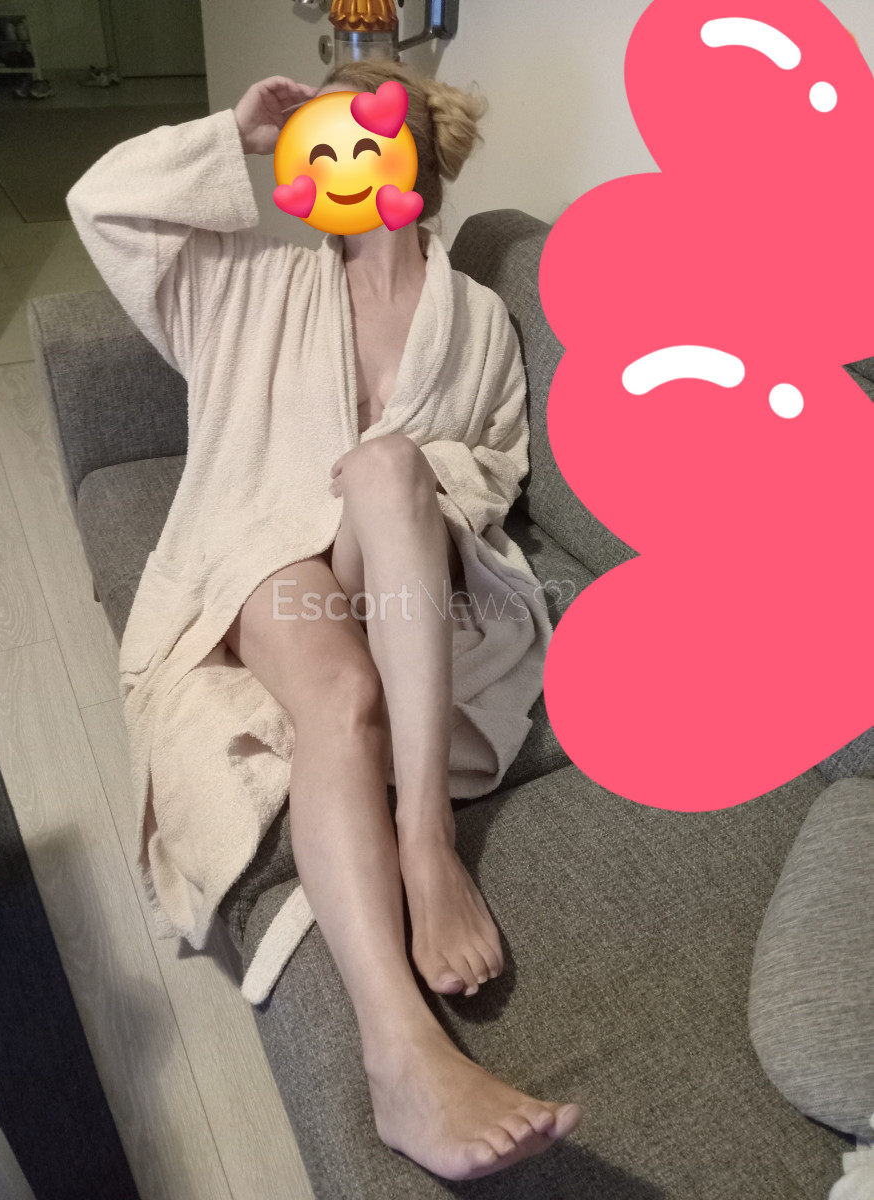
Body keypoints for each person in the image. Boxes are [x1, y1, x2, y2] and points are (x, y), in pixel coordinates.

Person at [221, 59, 580, 1181]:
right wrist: (234, 136)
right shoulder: (275, 287)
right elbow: (107, 214)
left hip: (394, 554)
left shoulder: (476, 318)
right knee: (343, 685)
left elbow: (499, 465)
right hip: (276, 555)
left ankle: (426, 840)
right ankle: (403, 1052)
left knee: (385, 469)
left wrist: (409, 481)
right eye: (314, 149)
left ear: (412, 159)